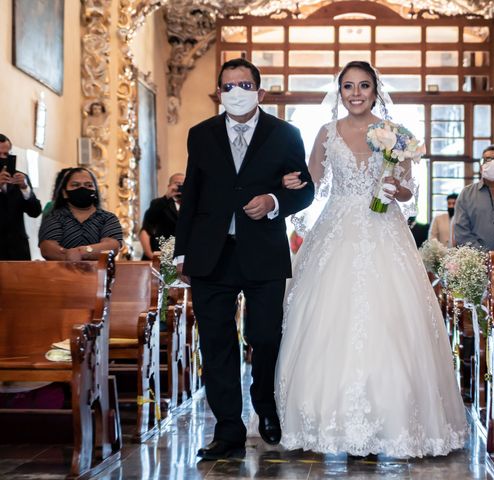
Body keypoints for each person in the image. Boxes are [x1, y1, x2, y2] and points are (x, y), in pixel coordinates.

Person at [275, 61, 467, 457]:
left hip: (384, 228)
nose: (356, 93)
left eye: (364, 85)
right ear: (340, 91)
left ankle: (392, 419)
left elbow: (409, 190)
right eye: (348, 86)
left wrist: (396, 188)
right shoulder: (327, 133)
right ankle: (328, 420)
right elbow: (313, 181)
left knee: (391, 319)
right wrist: (291, 182)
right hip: (337, 227)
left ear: (375, 90)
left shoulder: (396, 135)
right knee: (327, 318)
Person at [173, 58, 314, 461]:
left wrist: (273, 201)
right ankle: (228, 430)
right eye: (228, 86)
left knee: (266, 336)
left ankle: (265, 406)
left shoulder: (286, 134)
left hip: (263, 253)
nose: (236, 92)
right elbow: (193, 196)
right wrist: (182, 251)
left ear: (260, 91)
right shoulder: (200, 135)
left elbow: (303, 190)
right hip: (210, 254)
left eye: (244, 84)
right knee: (217, 343)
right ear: (219, 93)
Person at [38, 167, 122, 261]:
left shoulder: (108, 218)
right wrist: (67, 256)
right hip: (61, 274)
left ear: (95, 191)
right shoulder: (54, 217)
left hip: (98, 274)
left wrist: (82, 252)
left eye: (89, 185)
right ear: (64, 193)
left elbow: (111, 246)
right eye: (75, 185)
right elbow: (47, 248)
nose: (82, 188)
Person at [0, 134, 42, 260]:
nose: (2, 158)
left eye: (6, 154)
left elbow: (35, 212)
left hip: (18, 249)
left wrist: (25, 189)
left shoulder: (21, 178)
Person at [139, 172, 184, 260]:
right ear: (169, 186)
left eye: (184, 184)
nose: (180, 187)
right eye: (177, 184)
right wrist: (167, 197)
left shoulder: (192, 206)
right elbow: (148, 222)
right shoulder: (159, 203)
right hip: (162, 253)